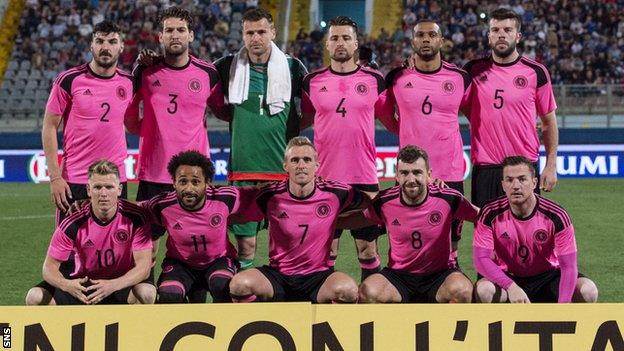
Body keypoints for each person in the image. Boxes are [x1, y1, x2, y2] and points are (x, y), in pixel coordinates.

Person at [28, 20, 133, 306]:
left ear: (121, 46)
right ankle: (68, 302)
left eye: (112, 41)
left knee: (114, 243)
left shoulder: (128, 82)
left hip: (115, 181)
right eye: (100, 41)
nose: (106, 47)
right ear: (91, 45)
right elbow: (49, 126)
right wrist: (55, 176)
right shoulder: (69, 80)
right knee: (70, 248)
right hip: (74, 179)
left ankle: (112, 301)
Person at [126, 7, 227, 302]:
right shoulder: (145, 70)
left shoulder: (208, 73)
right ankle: (148, 304)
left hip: (194, 177)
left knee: (196, 243)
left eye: (180, 30)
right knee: (148, 247)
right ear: (160, 36)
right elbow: (130, 119)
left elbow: (222, 109)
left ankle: (193, 301)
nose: (175, 35)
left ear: (191, 35)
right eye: (169, 30)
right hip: (154, 172)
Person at [300, 16, 397, 281]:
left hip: (364, 178)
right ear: (327, 45)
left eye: (345, 38)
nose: (340, 43)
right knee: (325, 252)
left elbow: (393, 123)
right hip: (325, 180)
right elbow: (302, 122)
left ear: (356, 43)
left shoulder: (376, 80)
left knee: (368, 250)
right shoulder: (311, 82)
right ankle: (325, 309)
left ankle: (370, 309)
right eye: (334, 38)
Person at [214, 8, 307, 270]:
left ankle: (283, 296)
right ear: (242, 35)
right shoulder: (227, 66)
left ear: (272, 33)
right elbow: (203, 90)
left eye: (261, 32)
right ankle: (244, 301)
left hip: (282, 173)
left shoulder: (292, 67)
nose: (256, 38)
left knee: (285, 243)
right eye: (250, 33)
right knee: (246, 246)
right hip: (243, 172)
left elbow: (311, 109)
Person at [228, 137, 362, 303]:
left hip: (318, 278)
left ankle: (325, 327)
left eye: (307, 160)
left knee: (348, 290)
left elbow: (370, 204)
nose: (301, 165)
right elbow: (243, 215)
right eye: (295, 160)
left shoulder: (337, 193)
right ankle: (263, 323)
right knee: (239, 285)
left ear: (316, 165)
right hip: (278, 276)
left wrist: (341, 221)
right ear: (286, 166)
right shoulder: (270, 195)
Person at [341, 145, 478, 303]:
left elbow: (482, 217)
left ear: (429, 175)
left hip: (439, 275)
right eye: (404, 173)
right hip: (399, 277)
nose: (411, 179)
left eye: (417, 172)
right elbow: (355, 220)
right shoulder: (385, 201)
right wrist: (317, 218)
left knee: (463, 291)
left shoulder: (449, 198)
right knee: (368, 292)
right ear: (397, 176)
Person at [385, 19, 472, 266]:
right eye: (420, 35)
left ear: (441, 41)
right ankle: (404, 279)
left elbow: (476, 114)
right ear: (412, 41)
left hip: (450, 170)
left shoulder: (459, 78)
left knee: (451, 240)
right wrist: (403, 130)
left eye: (431, 35)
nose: (425, 39)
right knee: (405, 233)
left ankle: (451, 278)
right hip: (410, 172)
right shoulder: (397, 77)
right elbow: (383, 113)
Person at [463, 8, 559, 208]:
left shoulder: (536, 72)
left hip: (524, 168)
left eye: (507, 29)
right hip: (486, 169)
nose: (501, 34)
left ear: (518, 36)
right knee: (486, 234)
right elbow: (449, 101)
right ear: (489, 36)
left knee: (526, 234)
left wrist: (551, 165)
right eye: (495, 29)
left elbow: (549, 122)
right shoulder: (472, 70)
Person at [473, 156, 598, 303]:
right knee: (484, 290)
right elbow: (481, 260)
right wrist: (511, 287)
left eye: (522, 179)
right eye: (509, 180)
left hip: (548, 277)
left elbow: (569, 267)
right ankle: (496, 325)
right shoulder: (489, 213)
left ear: (534, 183)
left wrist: (563, 307)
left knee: (588, 291)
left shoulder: (556, 215)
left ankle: (572, 325)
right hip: (508, 277)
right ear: (503, 184)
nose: (516, 185)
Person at [42, 160, 154, 305]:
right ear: (88, 190)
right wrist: (67, 285)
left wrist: (113, 285)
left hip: (122, 283)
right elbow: (48, 268)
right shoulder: (72, 222)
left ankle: (135, 327)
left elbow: (144, 267)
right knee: (35, 297)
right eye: (97, 187)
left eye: (109, 187)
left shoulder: (136, 218)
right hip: (85, 284)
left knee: (147, 293)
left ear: (119, 189)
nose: (103, 193)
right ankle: (61, 326)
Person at [143, 151, 246, 303]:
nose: (189, 188)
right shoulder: (161, 204)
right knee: (169, 294)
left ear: (207, 182)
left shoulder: (226, 197)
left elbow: (261, 200)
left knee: (221, 284)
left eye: (196, 182)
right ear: (174, 182)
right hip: (180, 264)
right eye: (183, 181)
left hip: (219, 260)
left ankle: (225, 323)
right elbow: (132, 213)